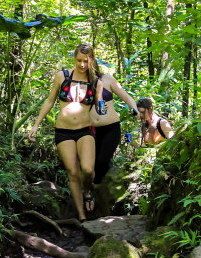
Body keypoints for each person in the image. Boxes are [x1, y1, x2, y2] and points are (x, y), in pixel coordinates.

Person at [28, 43, 103, 223]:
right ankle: (82, 216)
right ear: (74, 59)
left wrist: (102, 108)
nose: (82, 64)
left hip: (85, 130)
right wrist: (36, 125)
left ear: (91, 60)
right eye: (79, 60)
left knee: (87, 169)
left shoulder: (96, 82)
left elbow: (99, 107)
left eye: (86, 61)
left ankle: (87, 191)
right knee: (73, 172)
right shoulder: (62, 77)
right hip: (63, 132)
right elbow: (49, 101)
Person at [90, 68, 139, 184]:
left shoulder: (107, 79)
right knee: (91, 165)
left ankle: (107, 191)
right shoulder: (80, 84)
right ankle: (99, 194)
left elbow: (127, 97)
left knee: (101, 162)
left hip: (111, 128)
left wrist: (134, 108)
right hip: (91, 131)